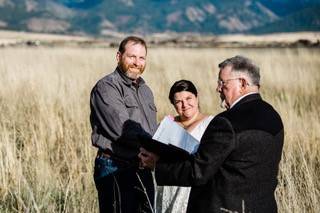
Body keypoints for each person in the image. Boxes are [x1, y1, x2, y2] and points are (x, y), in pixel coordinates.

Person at [139, 55, 284, 213]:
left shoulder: (226, 122)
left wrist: (157, 165)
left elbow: (198, 171)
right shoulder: (273, 116)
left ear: (242, 83)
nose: (218, 88)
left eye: (222, 83)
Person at [90, 36, 157, 213]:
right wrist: (157, 147)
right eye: (132, 56)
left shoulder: (145, 90)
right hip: (115, 167)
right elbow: (121, 130)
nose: (137, 62)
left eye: (142, 58)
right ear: (119, 56)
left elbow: (150, 128)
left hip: (142, 166)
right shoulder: (107, 87)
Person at [158, 80, 214, 213]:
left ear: (197, 97)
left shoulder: (210, 123)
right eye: (178, 102)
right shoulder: (167, 124)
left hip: (192, 186)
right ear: (173, 104)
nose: (185, 105)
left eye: (189, 98)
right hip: (167, 186)